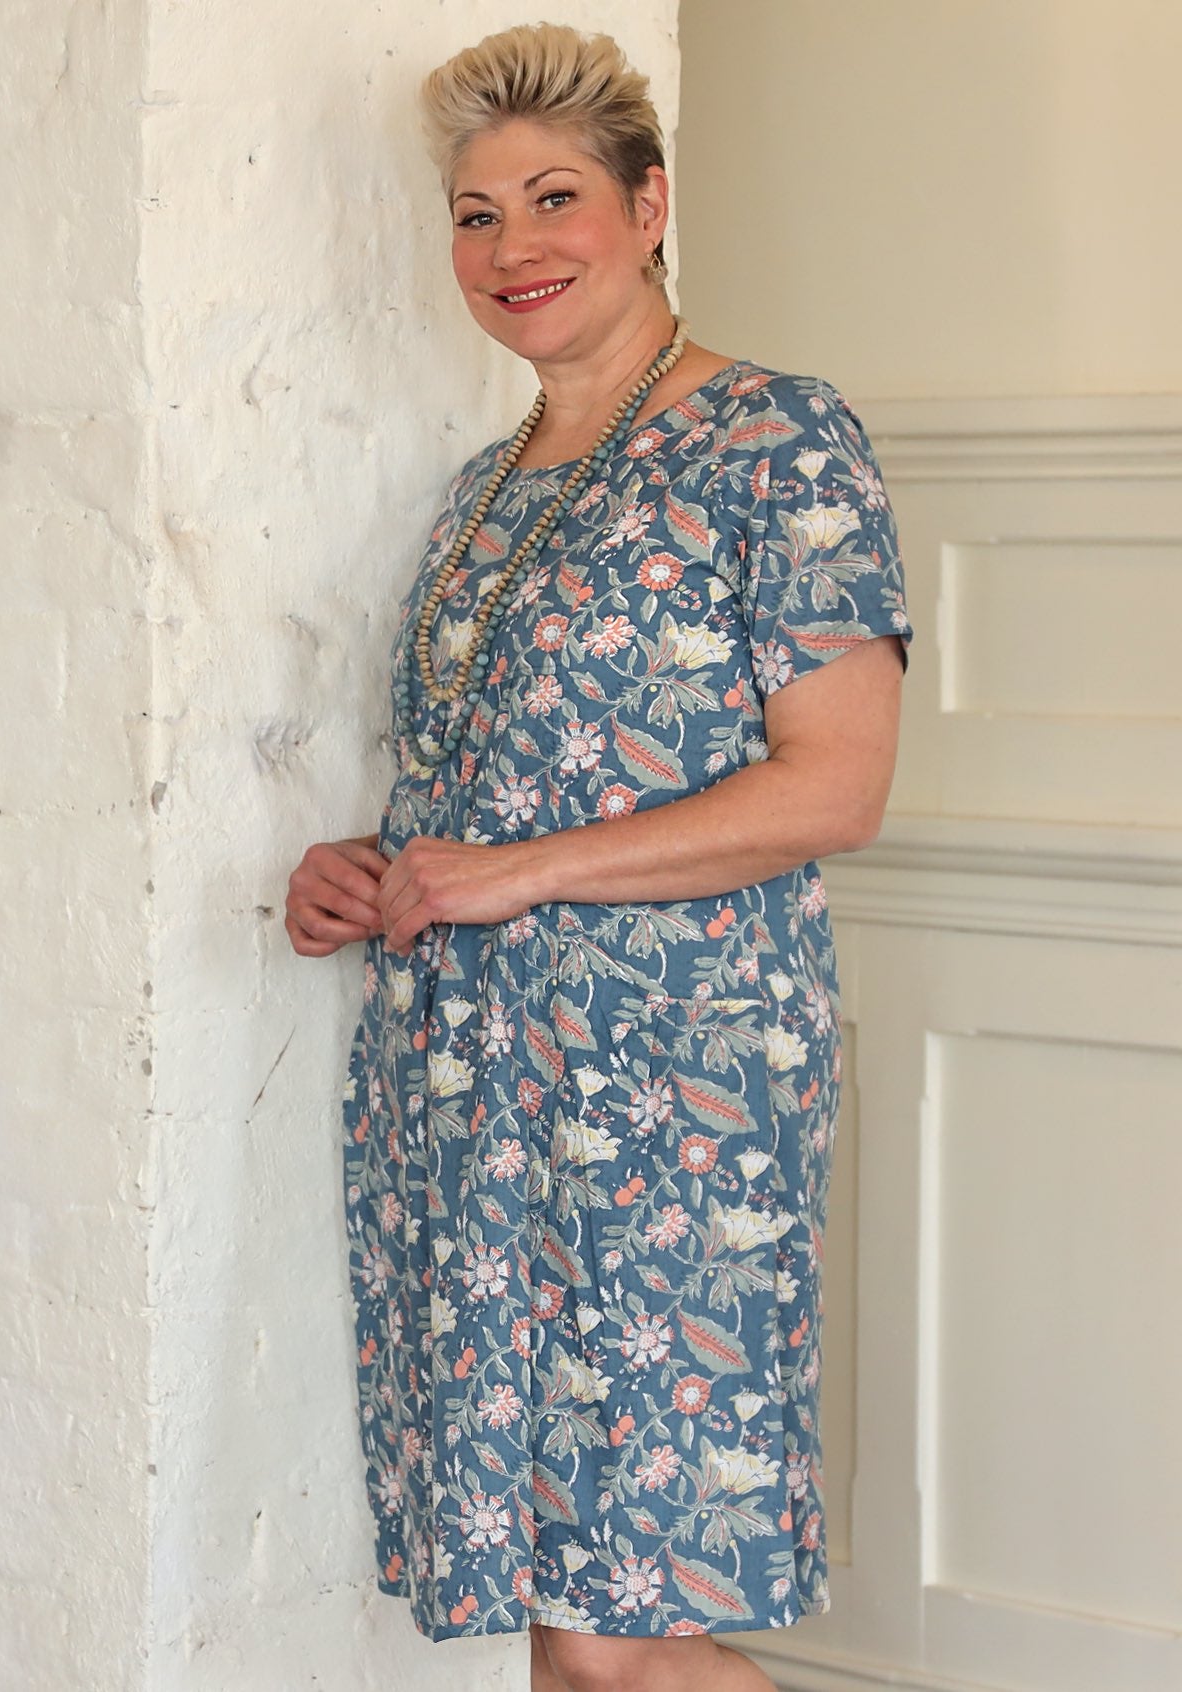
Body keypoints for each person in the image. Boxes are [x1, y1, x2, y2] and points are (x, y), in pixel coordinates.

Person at [285, 21, 912, 1692]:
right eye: (476, 216)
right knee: (568, 1641)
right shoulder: (483, 493)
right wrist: (374, 868)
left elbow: (835, 787)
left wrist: (519, 871)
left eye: (553, 198)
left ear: (649, 204)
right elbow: (489, 799)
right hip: (472, 1103)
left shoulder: (777, 439)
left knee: (625, 1640)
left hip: (670, 1100)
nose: (513, 249)